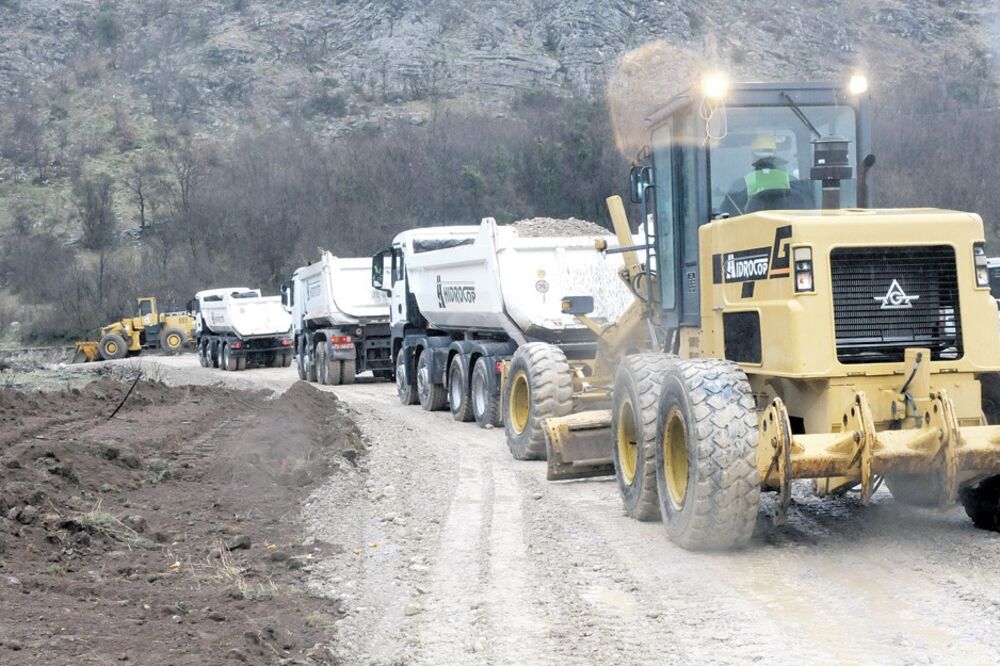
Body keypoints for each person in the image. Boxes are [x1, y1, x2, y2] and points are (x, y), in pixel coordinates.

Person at [720, 134, 802, 217]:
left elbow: (726, 214)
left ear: (753, 156)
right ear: (775, 156)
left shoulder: (741, 184)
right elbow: (804, 206)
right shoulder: (791, 181)